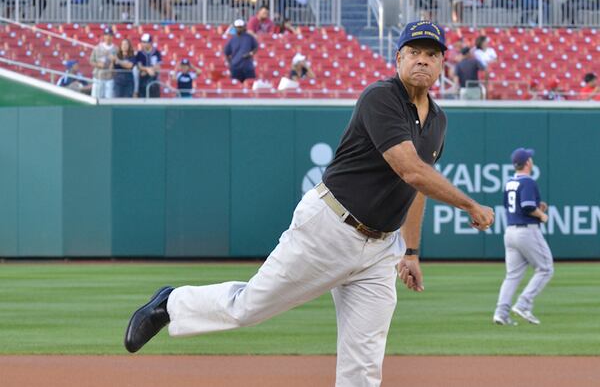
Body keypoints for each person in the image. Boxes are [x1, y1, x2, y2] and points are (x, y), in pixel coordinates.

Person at [124, 21, 495, 386]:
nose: (422, 60)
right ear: (398, 57)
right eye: (414, 52)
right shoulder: (381, 98)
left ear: (442, 63)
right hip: (331, 227)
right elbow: (410, 169)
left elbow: (417, 187)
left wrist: (411, 251)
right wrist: (470, 205)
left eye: (431, 54)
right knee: (249, 306)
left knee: (363, 364)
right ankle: (171, 303)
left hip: (382, 249)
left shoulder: (438, 121)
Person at [493, 148, 553, 326]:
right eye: (530, 159)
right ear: (527, 163)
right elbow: (527, 206)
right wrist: (541, 215)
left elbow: (512, 206)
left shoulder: (510, 182)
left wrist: (537, 208)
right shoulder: (528, 181)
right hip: (526, 231)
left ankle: (501, 313)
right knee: (546, 268)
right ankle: (523, 304)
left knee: (512, 275)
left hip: (510, 231)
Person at [89, 27, 118, 99]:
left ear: (112, 36)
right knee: (96, 98)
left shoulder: (116, 49)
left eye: (110, 35)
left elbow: (118, 62)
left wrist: (114, 63)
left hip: (110, 77)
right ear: (104, 36)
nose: (108, 37)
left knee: (109, 99)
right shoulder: (97, 48)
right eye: (106, 35)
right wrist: (98, 64)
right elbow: (91, 61)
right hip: (98, 77)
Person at [135, 33, 162, 98]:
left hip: (154, 80)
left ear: (150, 43)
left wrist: (147, 70)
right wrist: (148, 69)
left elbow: (158, 66)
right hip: (142, 81)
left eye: (145, 42)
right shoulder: (139, 53)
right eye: (142, 42)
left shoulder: (156, 52)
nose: (143, 44)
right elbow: (139, 66)